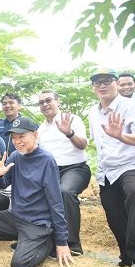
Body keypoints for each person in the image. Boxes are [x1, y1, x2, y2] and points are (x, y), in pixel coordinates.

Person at [0, 117, 74, 267]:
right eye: (14, 138)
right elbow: (2, 184)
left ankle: (47, 242)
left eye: (22, 136)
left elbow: (56, 202)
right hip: (16, 217)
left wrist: (62, 241)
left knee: (19, 265)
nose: (17, 141)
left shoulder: (47, 160)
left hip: (37, 223)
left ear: (35, 135)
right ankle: (25, 239)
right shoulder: (15, 157)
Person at [88, 69, 135, 267]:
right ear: (93, 88)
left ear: (116, 83)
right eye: (97, 82)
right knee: (114, 215)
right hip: (106, 171)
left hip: (129, 166)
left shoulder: (131, 106)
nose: (102, 85)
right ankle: (126, 257)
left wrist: (121, 137)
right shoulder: (93, 112)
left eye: (107, 81)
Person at [37, 90, 91, 255]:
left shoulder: (72, 119)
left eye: (48, 100)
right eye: (41, 102)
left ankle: (72, 243)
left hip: (75, 168)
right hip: (52, 172)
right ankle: (36, 240)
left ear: (57, 101)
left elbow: (82, 145)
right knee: (33, 192)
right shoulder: (40, 129)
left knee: (64, 191)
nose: (45, 105)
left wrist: (69, 133)